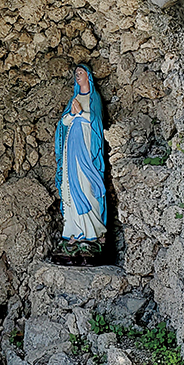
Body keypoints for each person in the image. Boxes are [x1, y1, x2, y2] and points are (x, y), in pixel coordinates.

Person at [54, 64, 107, 259]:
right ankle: (74, 231)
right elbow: (63, 123)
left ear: (88, 77)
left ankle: (92, 232)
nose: (77, 76)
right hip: (72, 149)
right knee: (70, 185)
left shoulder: (93, 99)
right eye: (75, 74)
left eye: (81, 73)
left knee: (86, 186)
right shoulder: (73, 99)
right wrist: (72, 114)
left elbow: (96, 122)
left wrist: (80, 114)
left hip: (87, 149)